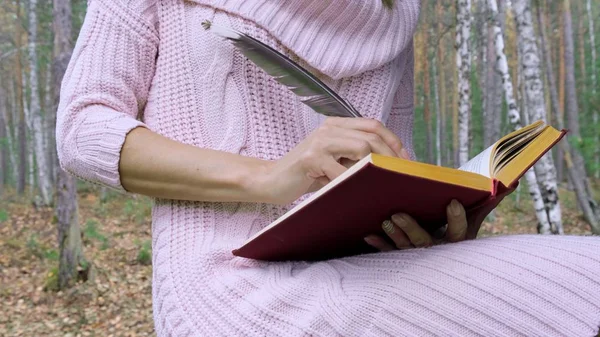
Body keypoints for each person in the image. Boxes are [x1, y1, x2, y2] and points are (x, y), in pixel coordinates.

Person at [56, 0, 600, 335]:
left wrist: (433, 225)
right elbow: (82, 129)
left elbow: (388, 162)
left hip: (365, 269)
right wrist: (270, 176)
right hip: (226, 289)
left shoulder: (394, 12)